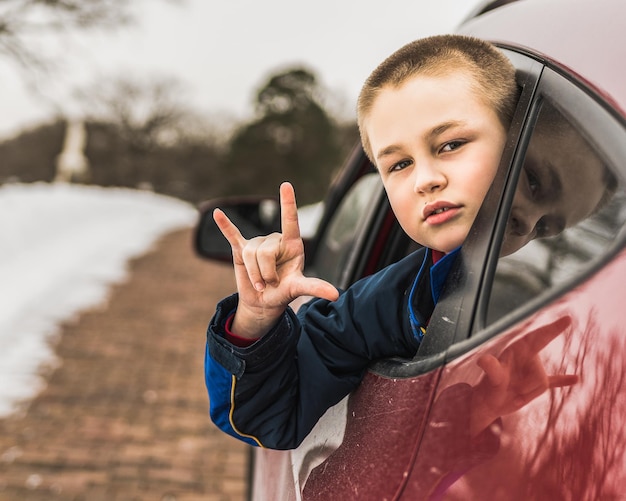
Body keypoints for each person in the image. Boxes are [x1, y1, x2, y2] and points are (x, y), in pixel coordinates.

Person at [204, 34, 569, 451]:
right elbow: (273, 417)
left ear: (516, 142)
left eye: (450, 144)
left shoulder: (580, 264)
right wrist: (254, 319)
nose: (425, 180)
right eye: (399, 164)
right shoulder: (386, 304)